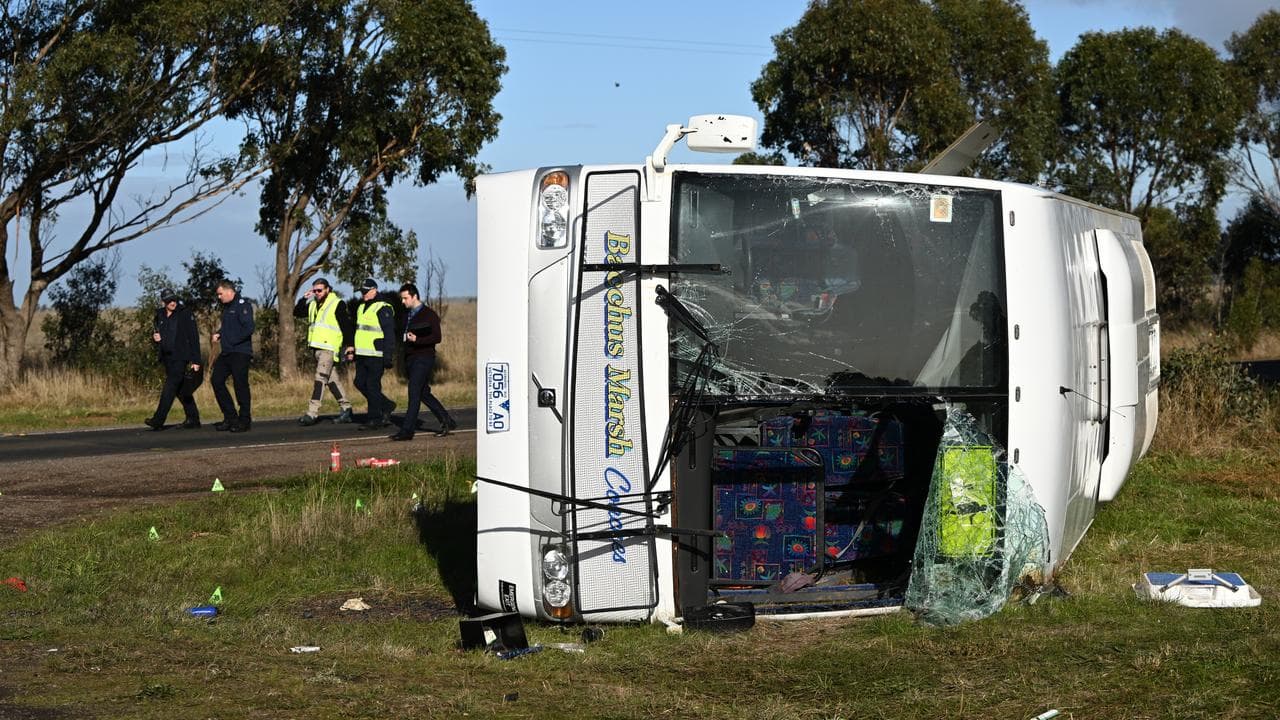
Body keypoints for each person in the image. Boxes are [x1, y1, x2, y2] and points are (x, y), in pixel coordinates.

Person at [390, 282, 456, 441]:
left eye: (405, 298)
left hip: (424, 358)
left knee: (414, 392)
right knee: (423, 393)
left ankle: (407, 431)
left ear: (414, 296)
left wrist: (418, 339)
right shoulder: (407, 315)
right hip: (411, 359)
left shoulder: (429, 315)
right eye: (402, 299)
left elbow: (437, 337)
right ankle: (447, 421)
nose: (403, 302)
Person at [294, 278, 355, 426]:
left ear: (328, 289)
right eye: (315, 290)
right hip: (317, 349)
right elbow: (297, 312)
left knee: (320, 378)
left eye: (319, 290)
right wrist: (304, 298)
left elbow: (346, 326)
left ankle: (312, 412)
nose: (317, 293)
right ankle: (346, 408)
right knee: (331, 380)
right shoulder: (313, 304)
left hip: (329, 348)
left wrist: (350, 346)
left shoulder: (337, 303)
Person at [144, 288, 202, 430]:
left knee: (170, 387)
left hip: (181, 356)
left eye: (174, 300)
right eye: (169, 300)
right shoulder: (159, 314)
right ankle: (193, 418)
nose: (172, 303)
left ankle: (158, 420)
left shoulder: (185, 314)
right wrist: (155, 338)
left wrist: (196, 360)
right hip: (166, 356)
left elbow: (193, 337)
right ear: (163, 302)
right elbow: (157, 332)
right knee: (181, 390)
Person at [349, 278, 398, 430]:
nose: (363, 294)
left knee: (372, 385)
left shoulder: (383, 308)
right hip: (362, 354)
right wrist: (352, 350)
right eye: (361, 292)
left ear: (374, 290)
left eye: (365, 291)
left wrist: (388, 356)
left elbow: (389, 334)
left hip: (376, 354)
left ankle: (374, 418)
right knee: (359, 383)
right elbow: (358, 331)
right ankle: (386, 405)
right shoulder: (361, 307)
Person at [211, 280, 254, 432]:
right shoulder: (227, 308)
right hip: (227, 352)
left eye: (220, 294)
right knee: (216, 380)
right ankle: (230, 417)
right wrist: (220, 334)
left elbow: (249, 328)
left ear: (229, 291)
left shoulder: (242, 305)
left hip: (240, 352)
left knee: (240, 385)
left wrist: (233, 340)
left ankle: (244, 420)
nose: (219, 297)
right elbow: (228, 327)